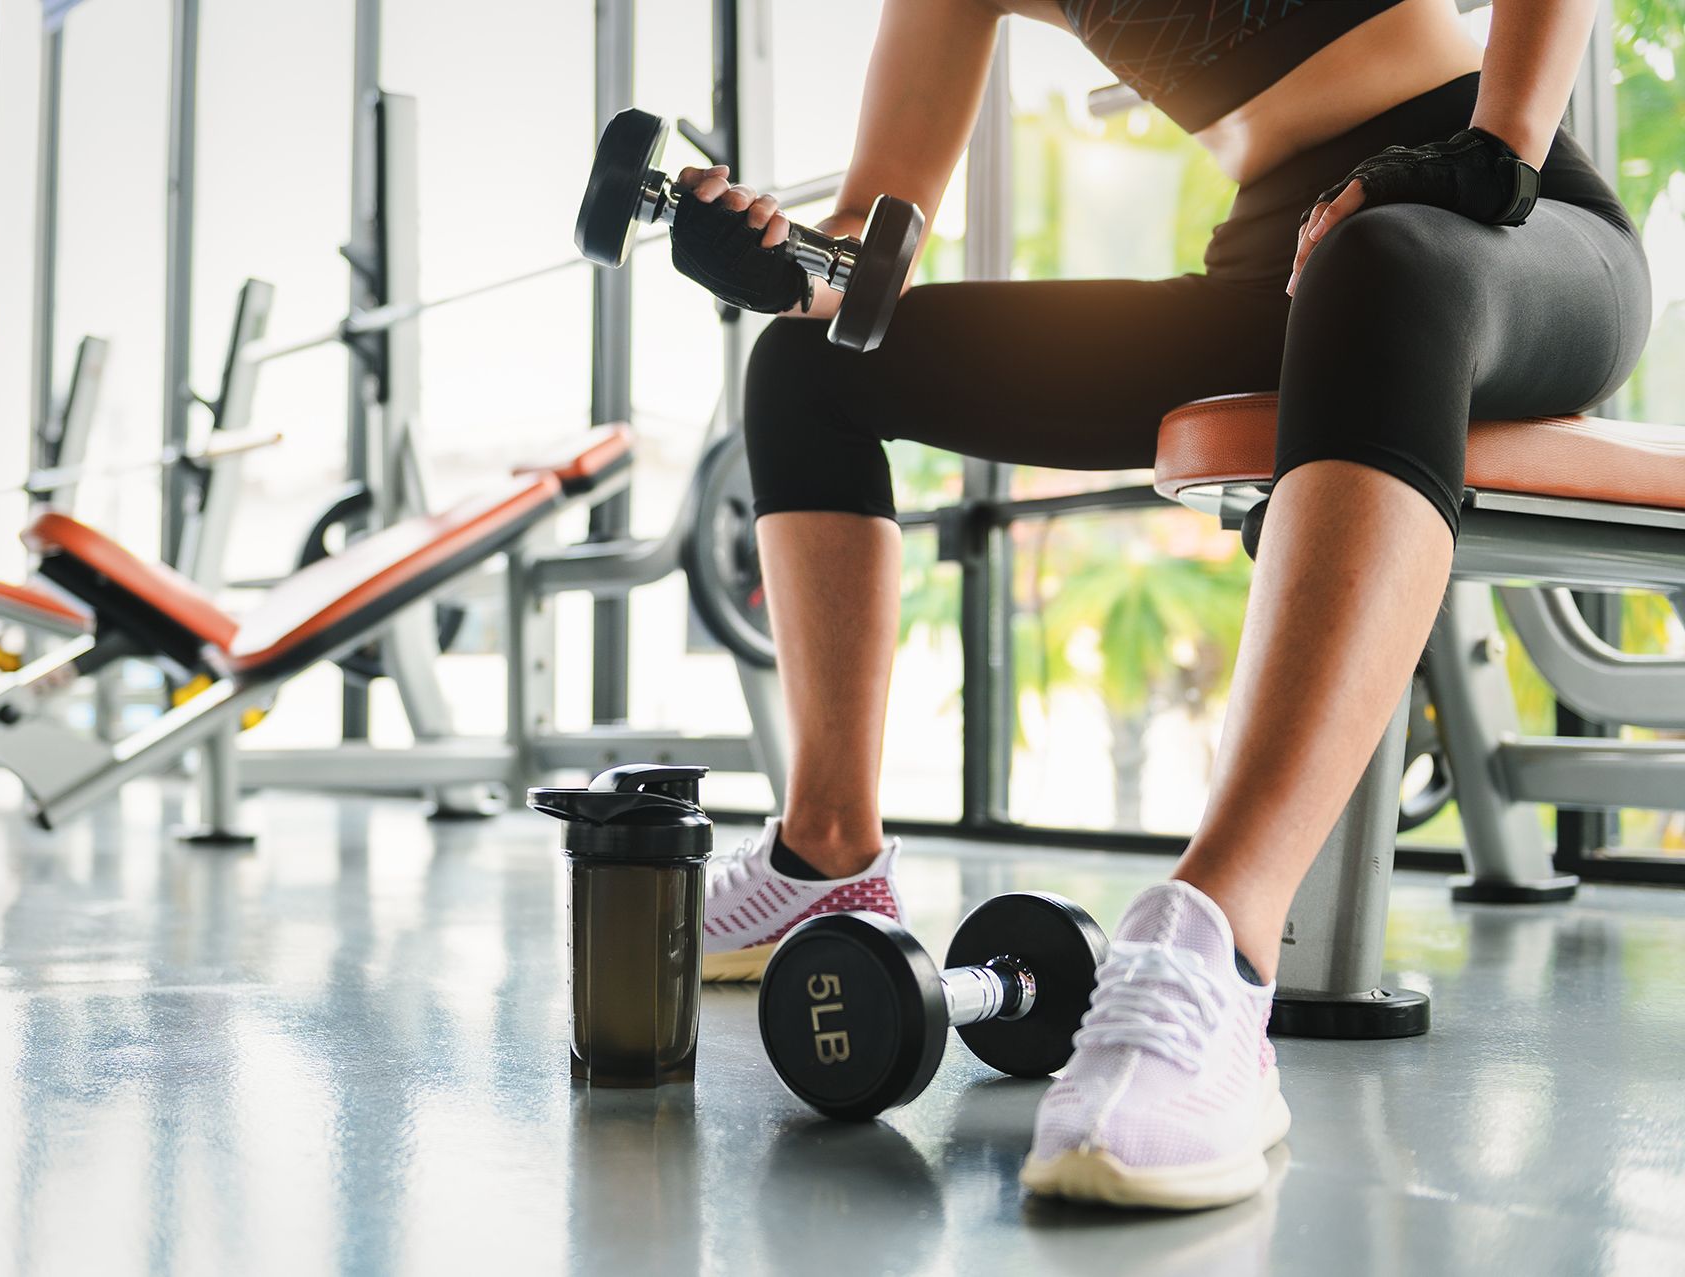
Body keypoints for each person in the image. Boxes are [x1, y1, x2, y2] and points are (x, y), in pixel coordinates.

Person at [686, 0, 1649, 1208]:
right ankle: (826, 852)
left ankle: (1218, 954)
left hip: (1505, 212)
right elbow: (861, 271)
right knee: (809, 371)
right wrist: (780, 268)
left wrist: (1499, 142)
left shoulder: (1487, 187)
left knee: (1385, 256)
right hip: (1277, 268)